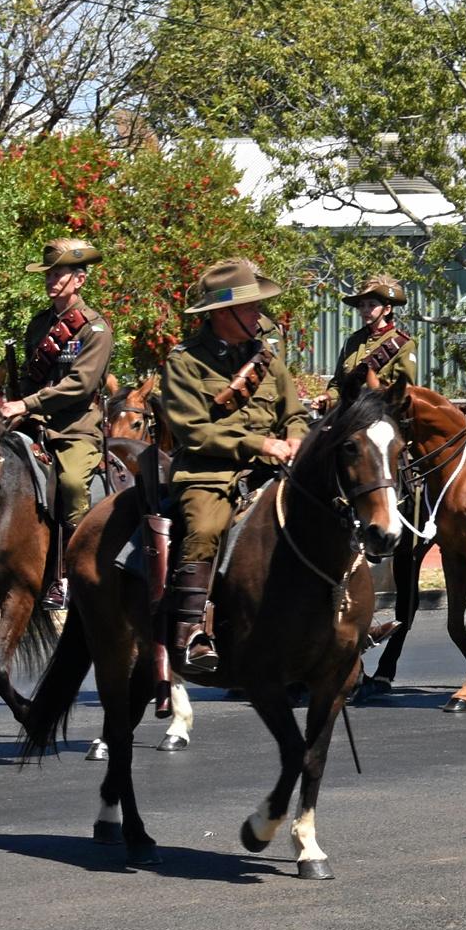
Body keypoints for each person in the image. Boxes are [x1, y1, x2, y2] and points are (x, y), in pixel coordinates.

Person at [158, 258, 306, 680]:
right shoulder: (184, 362)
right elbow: (193, 432)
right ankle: (191, 631)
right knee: (205, 528)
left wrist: (295, 435)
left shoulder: (266, 358)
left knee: (328, 510)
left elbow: (293, 412)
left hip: (273, 470)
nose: (259, 314)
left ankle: (340, 610)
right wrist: (262, 444)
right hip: (211, 473)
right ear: (223, 313)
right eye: (250, 308)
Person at [1, 236, 114, 610]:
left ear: (79, 280)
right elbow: (31, 381)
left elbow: (79, 386)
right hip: (32, 421)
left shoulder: (94, 329)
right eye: (48, 275)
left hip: (74, 427)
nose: (51, 281)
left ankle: (69, 577)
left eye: (59, 274)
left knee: (71, 485)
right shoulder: (39, 326)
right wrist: (15, 405)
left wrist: (27, 401)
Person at [333, 274, 416, 395]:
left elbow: (403, 392)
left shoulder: (403, 344)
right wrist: (327, 399)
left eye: (372, 305)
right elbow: (337, 384)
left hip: (380, 412)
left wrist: (376, 390)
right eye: (362, 305)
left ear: (387, 310)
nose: (365, 310)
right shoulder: (351, 342)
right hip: (348, 412)